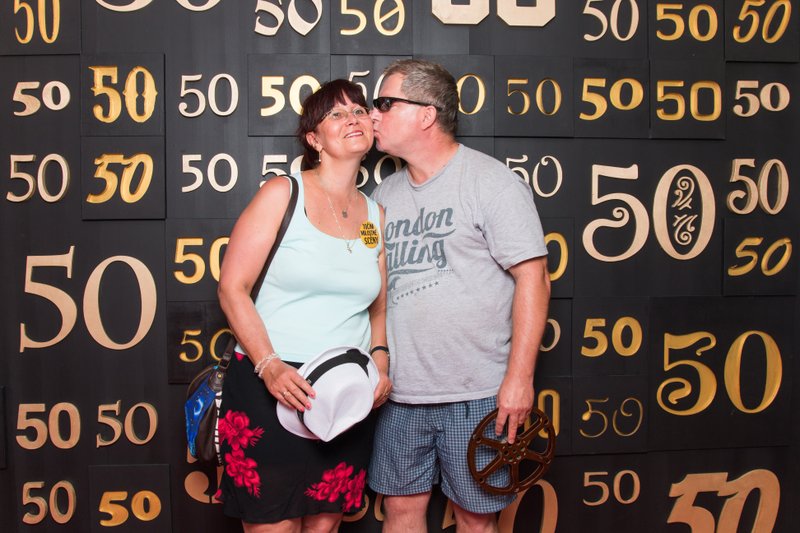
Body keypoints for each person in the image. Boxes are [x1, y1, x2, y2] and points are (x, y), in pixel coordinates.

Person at [367, 59, 551, 532]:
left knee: (475, 517)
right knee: (400, 509)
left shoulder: (491, 183)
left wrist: (519, 379)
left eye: (385, 104)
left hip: (477, 393)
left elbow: (534, 278)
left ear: (426, 114)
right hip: (400, 394)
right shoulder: (385, 194)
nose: (372, 114)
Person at [216, 79, 392, 533]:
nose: (353, 118)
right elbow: (232, 288)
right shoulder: (283, 193)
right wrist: (269, 366)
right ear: (314, 139)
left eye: (359, 110)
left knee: (324, 526)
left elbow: (377, 306)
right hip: (274, 384)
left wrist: (380, 361)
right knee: (273, 527)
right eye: (337, 114)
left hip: (344, 394)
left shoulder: (374, 216)